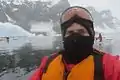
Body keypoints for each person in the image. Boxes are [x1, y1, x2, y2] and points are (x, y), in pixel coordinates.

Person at [30, 6, 120, 80]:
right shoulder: (47, 63)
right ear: (63, 37)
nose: (75, 38)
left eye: (81, 32)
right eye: (70, 33)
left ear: (91, 35)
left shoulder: (110, 65)